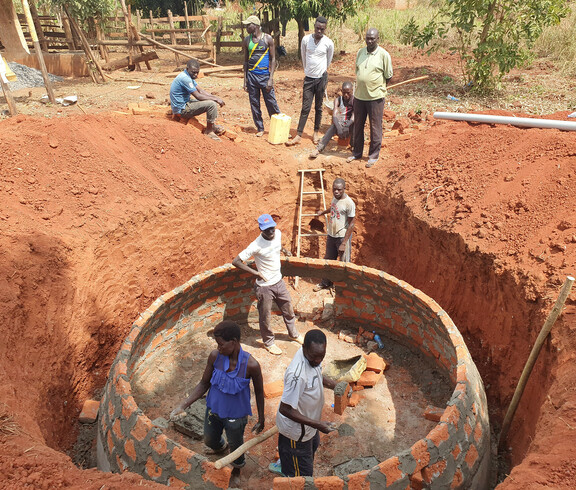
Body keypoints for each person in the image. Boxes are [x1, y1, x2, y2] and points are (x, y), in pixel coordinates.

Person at [169, 320, 264, 471]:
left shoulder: (251, 365)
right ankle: (220, 447)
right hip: (214, 409)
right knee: (209, 439)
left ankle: (237, 469)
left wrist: (261, 418)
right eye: (217, 344)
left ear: (233, 342)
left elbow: (259, 392)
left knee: (236, 445)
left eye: (221, 344)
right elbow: (203, 383)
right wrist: (183, 405)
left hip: (236, 415)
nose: (218, 348)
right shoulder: (215, 357)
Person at [232, 214, 304, 355]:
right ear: (260, 229)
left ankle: (293, 334)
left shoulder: (277, 233)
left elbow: (277, 244)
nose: (271, 232)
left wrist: (284, 250)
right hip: (264, 287)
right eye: (267, 230)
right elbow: (236, 261)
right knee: (265, 316)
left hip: (279, 281)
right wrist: (255, 273)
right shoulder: (255, 245)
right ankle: (269, 342)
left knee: (288, 309)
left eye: (272, 228)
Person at [276, 329, 338, 477]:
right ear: (304, 348)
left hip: (309, 426)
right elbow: (285, 409)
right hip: (296, 435)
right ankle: (288, 468)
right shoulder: (297, 375)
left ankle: (287, 463)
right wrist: (317, 424)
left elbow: (315, 374)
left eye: (321, 356)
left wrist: (334, 385)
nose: (317, 360)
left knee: (308, 454)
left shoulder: (313, 356)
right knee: (301, 477)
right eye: (314, 356)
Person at [347, 28, 393, 168]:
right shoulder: (360, 52)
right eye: (367, 38)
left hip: (375, 97)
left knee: (375, 126)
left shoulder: (384, 55)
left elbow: (388, 76)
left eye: (372, 38)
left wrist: (377, 87)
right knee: (358, 125)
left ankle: (373, 155)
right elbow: (358, 72)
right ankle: (357, 152)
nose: (369, 41)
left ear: (378, 39)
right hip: (360, 96)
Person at [286, 17, 334, 147]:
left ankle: (316, 133)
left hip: (321, 79)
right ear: (314, 26)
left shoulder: (328, 43)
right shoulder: (306, 40)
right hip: (309, 78)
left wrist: (322, 72)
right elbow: (304, 57)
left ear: (325, 29)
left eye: (322, 29)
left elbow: (328, 60)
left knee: (318, 107)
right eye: (317, 28)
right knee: (305, 107)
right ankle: (299, 134)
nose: (319, 31)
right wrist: (308, 71)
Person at [242, 15, 281, 137]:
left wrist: (271, 78)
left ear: (256, 26)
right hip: (252, 76)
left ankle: (279, 127)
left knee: (271, 103)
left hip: (264, 76)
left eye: (249, 25)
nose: (246, 27)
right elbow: (245, 62)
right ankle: (260, 128)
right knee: (254, 103)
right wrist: (245, 80)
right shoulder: (246, 40)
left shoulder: (267, 39)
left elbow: (273, 59)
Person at [313, 178, 356, 291]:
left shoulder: (349, 203)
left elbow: (352, 224)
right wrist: (323, 212)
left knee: (343, 264)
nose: (336, 192)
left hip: (342, 237)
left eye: (339, 190)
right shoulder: (335, 198)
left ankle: (343, 288)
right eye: (334, 189)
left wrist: (344, 243)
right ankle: (326, 282)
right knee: (328, 260)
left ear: (344, 189)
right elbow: (333, 208)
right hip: (331, 236)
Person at [170, 59, 226, 141]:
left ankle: (212, 126)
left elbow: (201, 91)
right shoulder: (185, 78)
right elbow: (198, 96)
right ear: (187, 69)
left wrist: (215, 98)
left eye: (197, 72)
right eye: (193, 72)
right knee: (211, 104)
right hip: (181, 109)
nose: (196, 74)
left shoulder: (189, 76)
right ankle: (209, 131)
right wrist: (215, 99)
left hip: (185, 104)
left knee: (211, 101)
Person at [309, 81, 354, 158]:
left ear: (352, 91)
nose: (346, 95)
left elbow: (354, 115)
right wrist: (339, 128)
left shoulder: (355, 100)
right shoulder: (338, 100)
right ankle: (318, 149)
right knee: (332, 127)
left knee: (357, 126)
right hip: (340, 123)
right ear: (342, 91)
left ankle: (354, 147)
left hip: (350, 124)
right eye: (344, 93)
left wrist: (348, 125)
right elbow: (334, 115)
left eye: (348, 93)